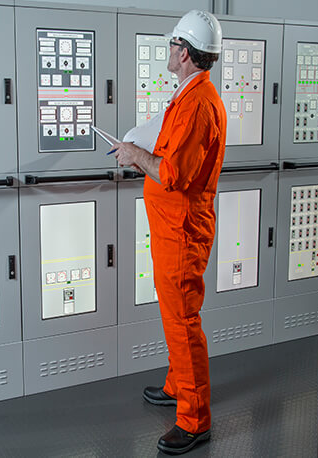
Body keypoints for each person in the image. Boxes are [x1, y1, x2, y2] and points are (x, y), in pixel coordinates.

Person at [113, 10, 227, 455]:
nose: (170, 50)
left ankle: (195, 420)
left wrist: (134, 155)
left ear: (185, 53)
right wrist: (138, 147)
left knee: (183, 322)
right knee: (174, 317)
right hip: (170, 228)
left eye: (173, 44)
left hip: (182, 231)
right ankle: (178, 384)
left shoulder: (198, 105)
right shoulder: (187, 95)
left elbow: (173, 174)